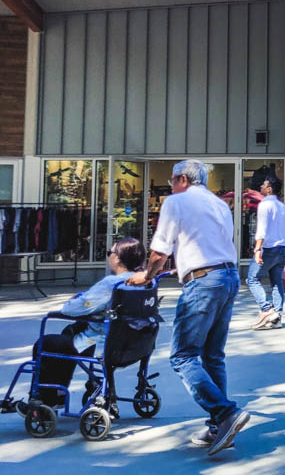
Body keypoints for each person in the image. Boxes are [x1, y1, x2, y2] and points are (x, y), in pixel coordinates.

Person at [127, 159, 249, 456]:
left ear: (182, 179)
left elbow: (160, 251)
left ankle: (224, 413)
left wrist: (145, 276)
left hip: (203, 280)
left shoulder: (176, 201)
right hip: (229, 276)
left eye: (171, 180)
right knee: (213, 355)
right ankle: (219, 425)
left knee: (183, 355)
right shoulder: (219, 204)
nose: (169, 185)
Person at [12, 238, 146, 416]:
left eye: (109, 253)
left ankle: (45, 399)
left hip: (102, 342)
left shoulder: (112, 283)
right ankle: (56, 394)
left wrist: (74, 301)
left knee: (46, 343)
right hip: (134, 342)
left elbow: (73, 309)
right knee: (68, 334)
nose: (108, 257)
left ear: (118, 259)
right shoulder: (145, 283)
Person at [246, 175, 285, 330]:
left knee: (252, 279)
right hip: (283, 248)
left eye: (263, 185)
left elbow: (262, 230)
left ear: (269, 189)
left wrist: (257, 249)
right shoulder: (283, 207)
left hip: (269, 249)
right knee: (277, 283)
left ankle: (266, 309)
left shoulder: (265, 205)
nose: (261, 187)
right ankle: (276, 317)